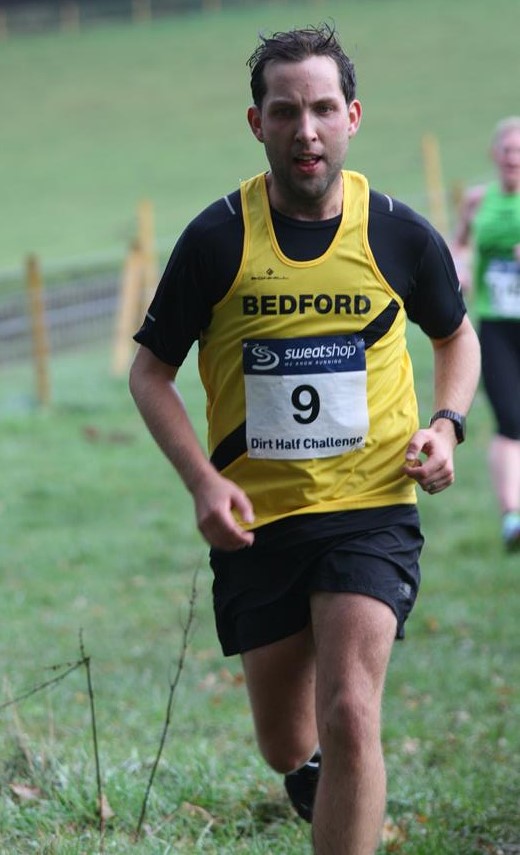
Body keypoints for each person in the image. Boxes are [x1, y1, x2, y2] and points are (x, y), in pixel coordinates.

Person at [129, 23, 481, 855]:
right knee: (288, 741)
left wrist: (447, 424)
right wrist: (203, 483)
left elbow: (455, 336)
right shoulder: (216, 239)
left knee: (352, 710)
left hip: (372, 507)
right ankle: (312, 772)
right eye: (286, 111)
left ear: (353, 115)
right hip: (259, 521)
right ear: (258, 123)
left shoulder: (398, 233)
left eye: (323, 108)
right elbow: (150, 373)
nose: (307, 130)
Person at [452, 116, 520, 553]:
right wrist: (458, 268)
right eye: (508, 150)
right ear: (495, 155)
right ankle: (512, 517)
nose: (513, 158)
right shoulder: (478, 201)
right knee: (510, 420)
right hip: (496, 326)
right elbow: (458, 244)